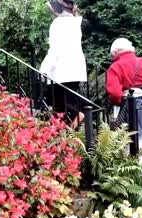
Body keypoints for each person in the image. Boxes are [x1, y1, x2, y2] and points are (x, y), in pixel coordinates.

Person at [39, 0, 87, 128]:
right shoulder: (75, 23)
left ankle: (76, 117)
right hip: (75, 69)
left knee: (58, 102)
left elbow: (55, 49)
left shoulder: (58, 24)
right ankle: (69, 131)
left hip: (60, 70)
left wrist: (44, 69)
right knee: (69, 100)